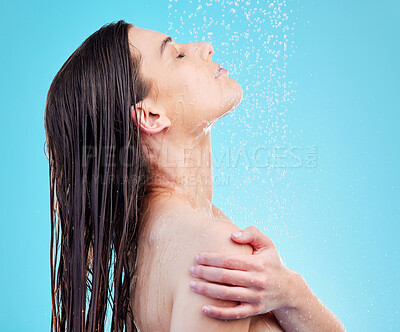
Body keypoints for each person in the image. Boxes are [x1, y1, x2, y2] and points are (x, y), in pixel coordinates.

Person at [45, 19, 345, 331]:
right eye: (177, 55)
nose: (204, 47)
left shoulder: (152, 246)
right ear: (150, 115)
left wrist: (292, 293)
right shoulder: (216, 253)